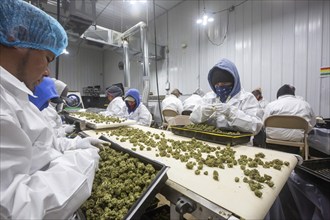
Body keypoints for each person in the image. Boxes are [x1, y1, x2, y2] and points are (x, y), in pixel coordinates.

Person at [0, 1, 104, 219]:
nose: (48, 72)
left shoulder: (17, 97)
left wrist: (76, 144)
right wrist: (82, 164)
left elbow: (40, 146)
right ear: (14, 36)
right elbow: (15, 209)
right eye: (47, 58)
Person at [190, 58, 263, 134]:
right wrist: (202, 113)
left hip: (239, 143)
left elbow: (256, 126)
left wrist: (232, 113)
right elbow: (192, 118)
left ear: (234, 81)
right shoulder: (208, 98)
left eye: (224, 83)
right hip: (210, 140)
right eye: (217, 84)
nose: (220, 87)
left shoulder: (247, 98)